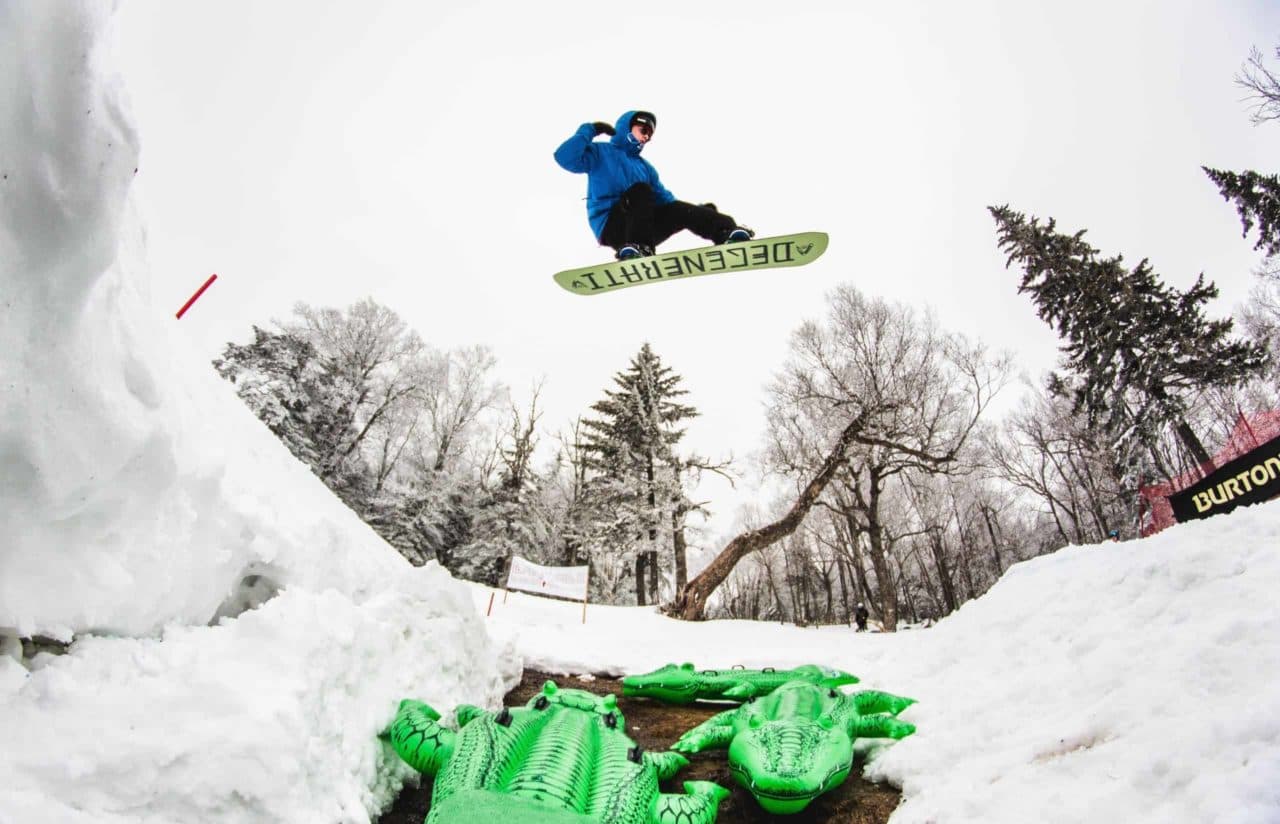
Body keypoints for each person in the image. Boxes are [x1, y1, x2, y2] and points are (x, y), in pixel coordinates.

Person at [554, 109, 753, 260]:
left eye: (650, 134)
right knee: (640, 191)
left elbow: (667, 202)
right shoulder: (601, 152)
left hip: (642, 227)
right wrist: (589, 130)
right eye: (643, 130)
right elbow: (564, 157)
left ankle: (726, 234)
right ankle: (638, 247)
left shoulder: (645, 168)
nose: (646, 137)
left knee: (676, 209)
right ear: (628, 127)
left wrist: (699, 214)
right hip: (611, 226)